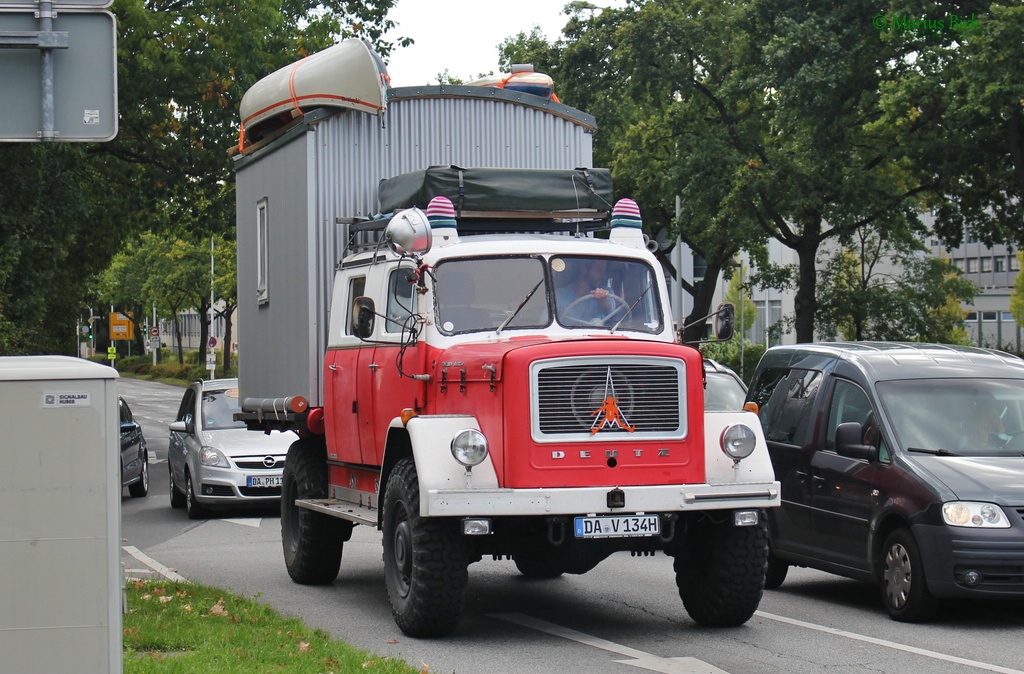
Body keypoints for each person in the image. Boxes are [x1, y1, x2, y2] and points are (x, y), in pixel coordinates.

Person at [556, 258, 617, 323]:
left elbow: (612, 312)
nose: (603, 276)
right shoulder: (559, 295)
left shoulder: (607, 292)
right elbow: (546, 321)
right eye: (599, 271)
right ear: (583, 269)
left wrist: (603, 300)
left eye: (604, 272)